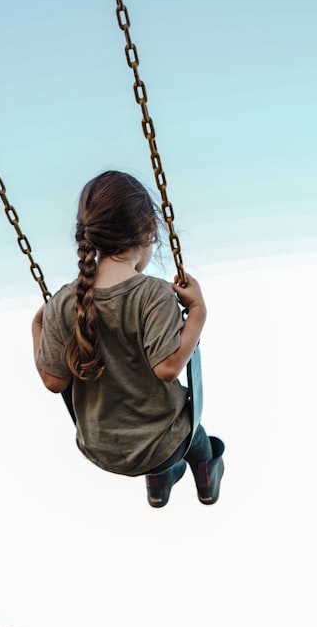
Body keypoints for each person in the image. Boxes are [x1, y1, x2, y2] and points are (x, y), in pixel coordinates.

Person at [32, 170, 225, 507]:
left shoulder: (64, 302)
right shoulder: (153, 294)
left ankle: (159, 484)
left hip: (99, 448)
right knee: (197, 439)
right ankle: (206, 476)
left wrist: (39, 326)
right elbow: (167, 369)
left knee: (161, 443)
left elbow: (52, 380)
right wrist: (198, 310)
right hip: (162, 444)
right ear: (148, 232)